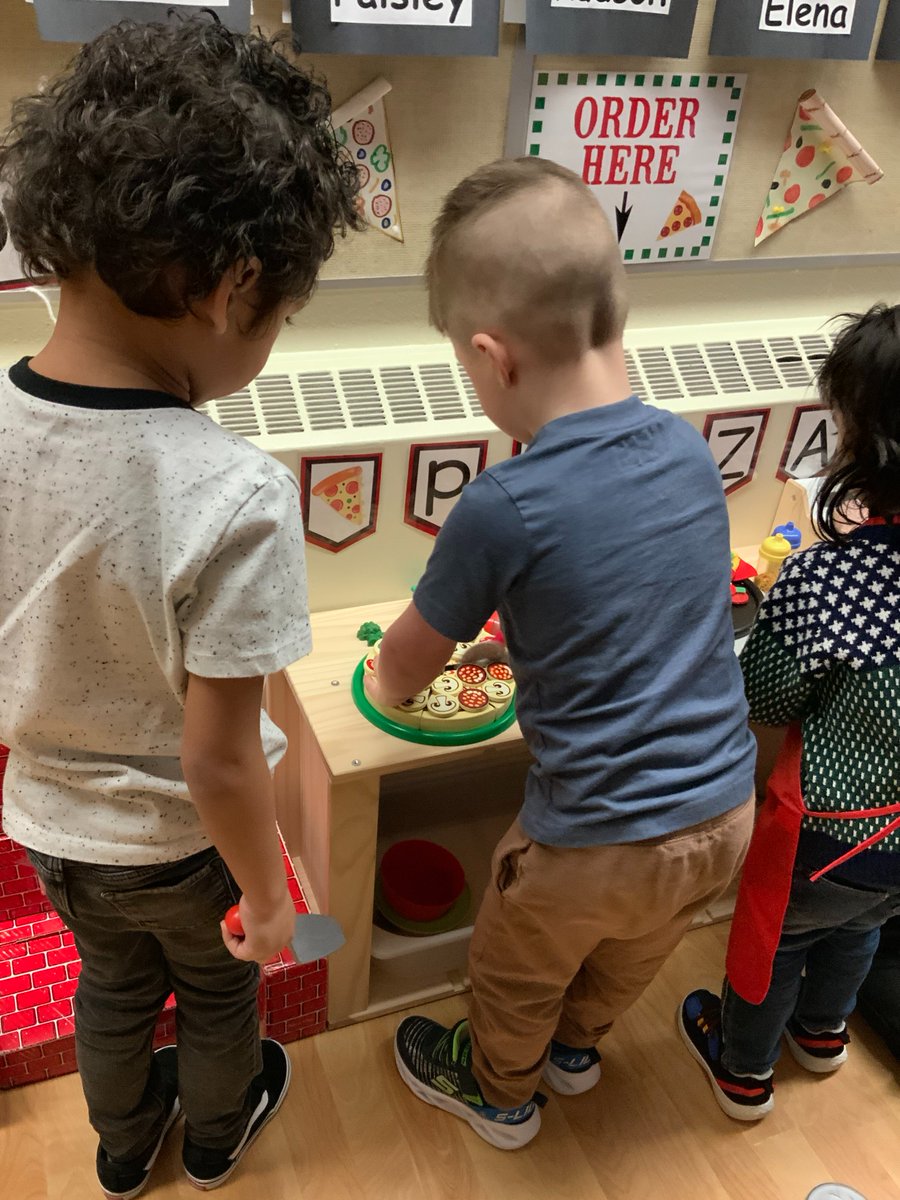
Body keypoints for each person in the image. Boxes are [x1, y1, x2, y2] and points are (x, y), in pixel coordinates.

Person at [0, 15, 360, 1197]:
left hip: (50, 828)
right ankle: (215, 1139)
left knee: (108, 987)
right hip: (179, 847)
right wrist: (265, 897)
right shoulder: (234, 493)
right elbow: (218, 762)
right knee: (217, 991)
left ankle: (118, 1148)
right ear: (235, 284)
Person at [366, 157, 757, 1150]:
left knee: (514, 969)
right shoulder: (685, 449)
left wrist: (378, 674)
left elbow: (408, 664)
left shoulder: (504, 501)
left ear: (493, 358)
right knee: (630, 954)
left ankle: (500, 1093)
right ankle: (579, 1051)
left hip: (589, 842)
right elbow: (640, 599)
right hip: (723, 811)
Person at [680, 304, 900, 1120]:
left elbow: (765, 698)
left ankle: (742, 1070)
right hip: (897, 840)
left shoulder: (832, 580)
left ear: (867, 445)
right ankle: (825, 1033)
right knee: (863, 930)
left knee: (779, 941)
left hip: (830, 830)